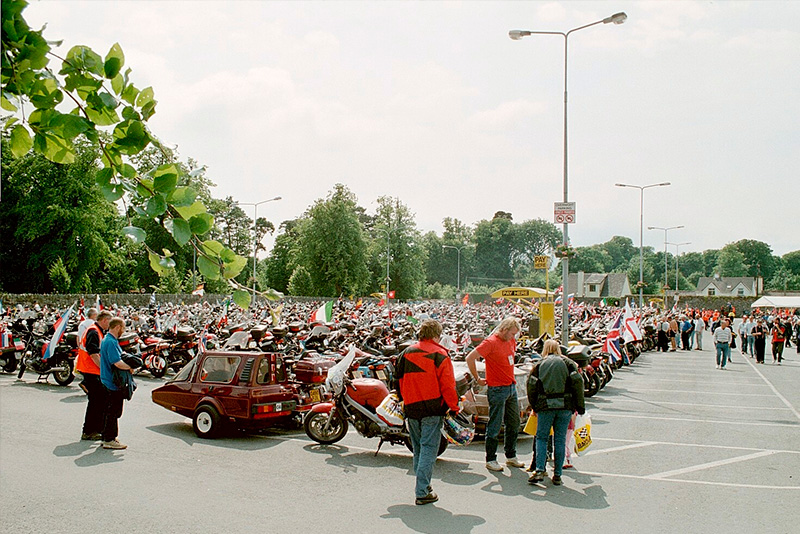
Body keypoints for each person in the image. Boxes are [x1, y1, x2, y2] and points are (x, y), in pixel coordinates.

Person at [394, 319, 460, 506]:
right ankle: (422, 490)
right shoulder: (440, 354)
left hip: (411, 407)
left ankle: (424, 485)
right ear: (437, 335)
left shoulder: (405, 353)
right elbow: (448, 386)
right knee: (429, 450)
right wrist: (454, 407)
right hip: (432, 408)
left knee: (419, 449)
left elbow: (397, 380)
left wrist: (403, 400)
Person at [466, 316, 524, 472]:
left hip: (510, 387)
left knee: (514, 423)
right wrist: (477, 378)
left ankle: (511, 456)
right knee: (495, 425)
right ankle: (490, 459)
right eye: (512, 334)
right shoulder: (490, 342)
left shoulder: (509, 341)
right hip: (497, 389)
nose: (513, 337)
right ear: (504, 330)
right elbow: (470, 357)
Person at [527, 340, 585, 486]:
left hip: (545, 406)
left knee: (541, 438)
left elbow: (531, 386)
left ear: (545, 349)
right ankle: (558, 474)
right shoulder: (569, 364)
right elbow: (578, 383)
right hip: (565, 406)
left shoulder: (539, 365)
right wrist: (580, 406)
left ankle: (540, 469)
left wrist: (534, 406)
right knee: (559, 440)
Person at [75, 310, 111, 441]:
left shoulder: (96, 330)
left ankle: (94, 429)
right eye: (109, 322)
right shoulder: (94, 332)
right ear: (105, 320)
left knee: (98, 402)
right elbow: (94, 354)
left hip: (91, 370)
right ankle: (89, 431)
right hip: (91, 370)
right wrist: (104, 369)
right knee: (96, 402)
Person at [99, 317, 134, 450]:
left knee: (110, 411)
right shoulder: (111, 342)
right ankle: (109, 438)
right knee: (113, 412)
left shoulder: (107, 340)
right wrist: (129, 367)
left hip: (107, 380)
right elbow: (117, 362)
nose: (123, 331)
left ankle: (107, 436)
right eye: (123, 328)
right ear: (118, 327)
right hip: (112, 382)